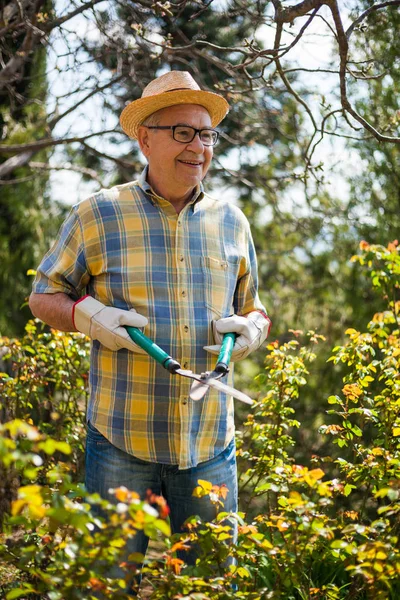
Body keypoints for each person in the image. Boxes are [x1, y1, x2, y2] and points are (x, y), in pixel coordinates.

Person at [29, 70, 271, 594]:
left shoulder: (233, 221)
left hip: (210, 443)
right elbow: (43, 296)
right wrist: (88, 317)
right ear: (145, 138)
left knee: (209, 585)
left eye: (205, 134)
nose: (198, 147)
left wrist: (248, 330)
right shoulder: (98, 214)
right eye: (182, 132)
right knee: (108, 586)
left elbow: (256, 310)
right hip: (121, 443)